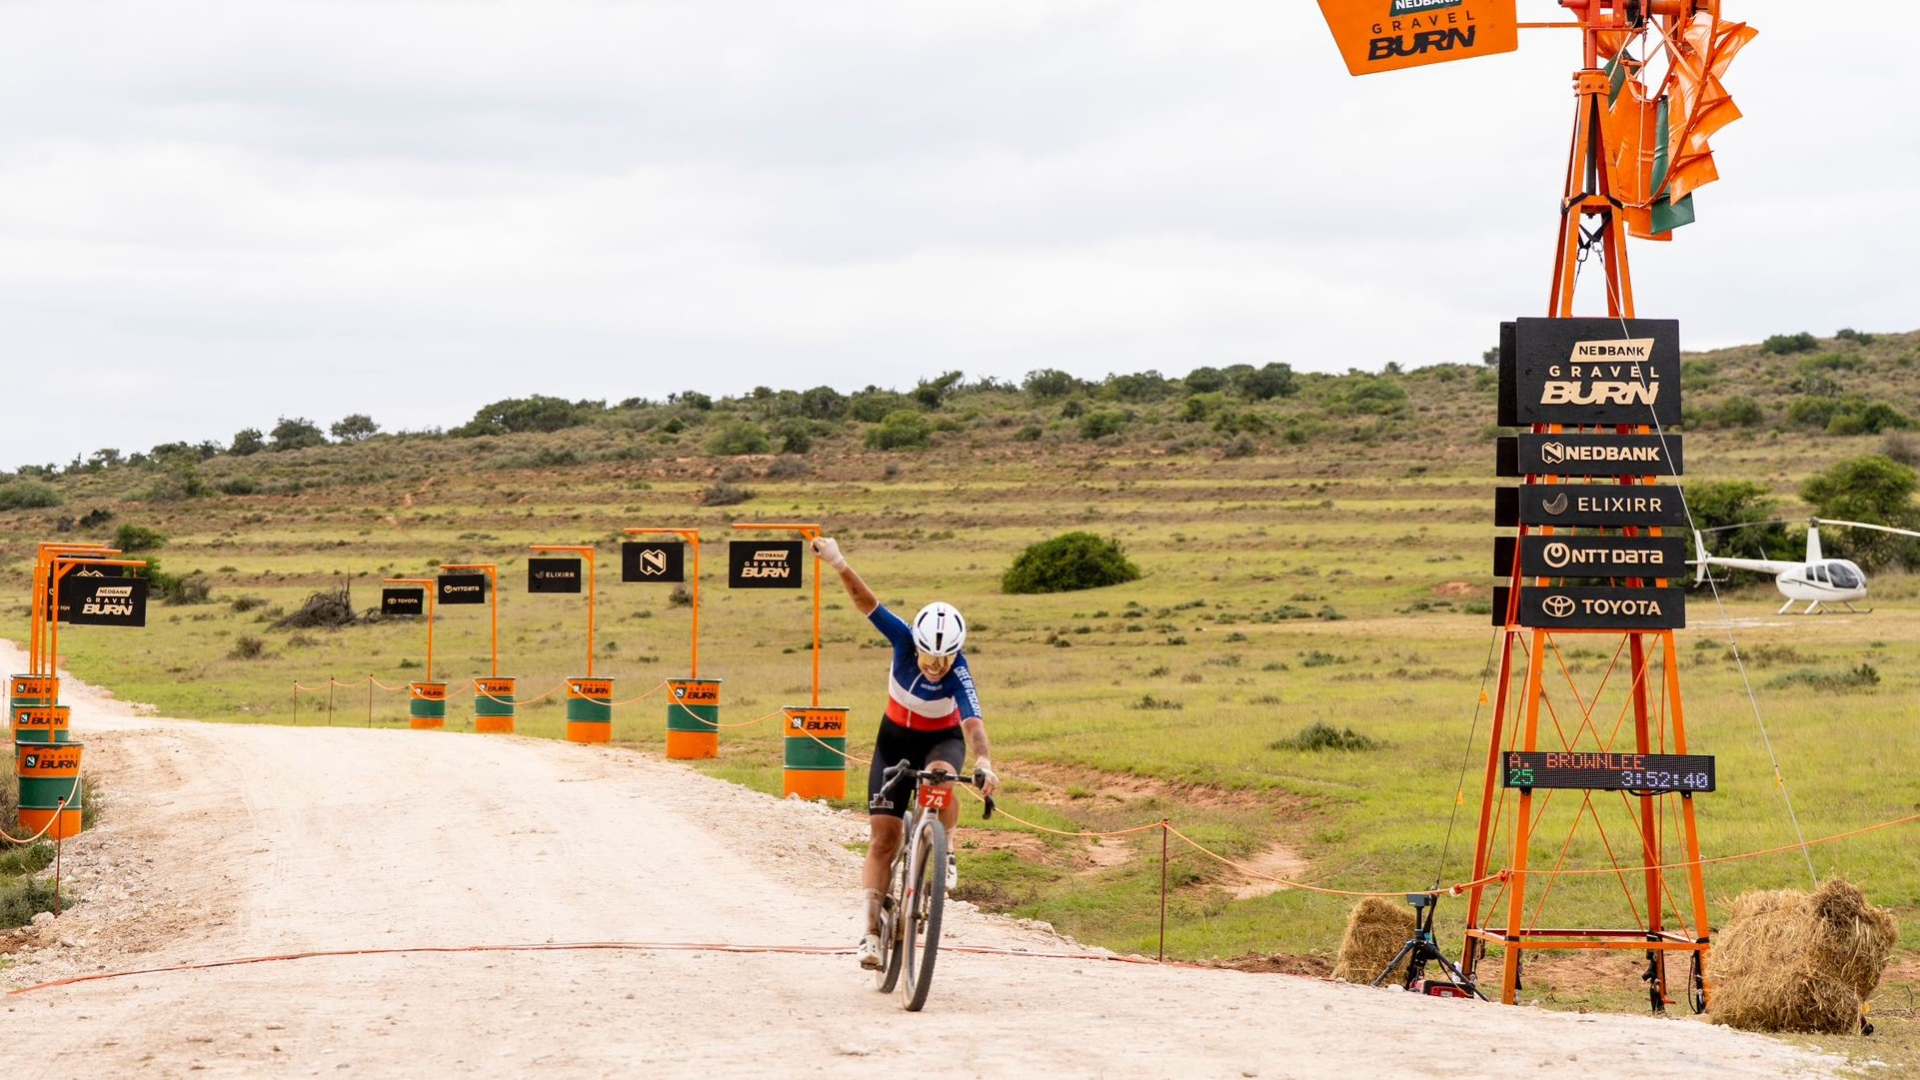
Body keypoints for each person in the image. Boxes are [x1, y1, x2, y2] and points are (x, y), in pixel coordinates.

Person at [812, 535, 997, 971]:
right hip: (893, 740)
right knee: (882, 838)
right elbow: (868, 603)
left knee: (940, 775)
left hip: (940, 739)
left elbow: (972, 723)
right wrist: (838, 562)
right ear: (916, 643)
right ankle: (870, 934)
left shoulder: (960, 671)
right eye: (928, 658)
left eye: (945, 660)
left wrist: (985, 761)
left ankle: (946, 846)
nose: (935, 667)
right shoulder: (901, 638)